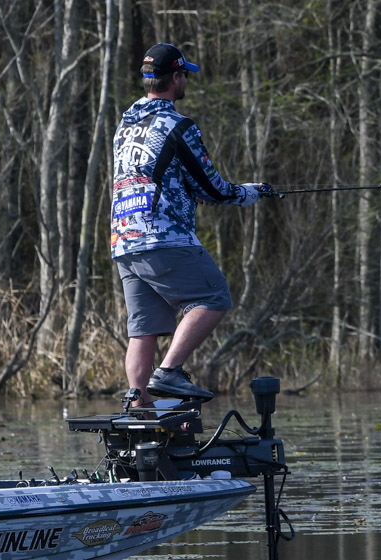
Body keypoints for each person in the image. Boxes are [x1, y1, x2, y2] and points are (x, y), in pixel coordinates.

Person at [111, 42, 276, 406]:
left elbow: (153, 178)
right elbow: (214, 189)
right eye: (185, 75)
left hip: (124, 241)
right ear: (175, 78)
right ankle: (169, 371)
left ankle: (139, 411)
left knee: (144, 329)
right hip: (163, 237)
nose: (186, 81)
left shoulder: (124, 127)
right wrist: (254, 191)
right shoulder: (177, 125)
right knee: (214, 295)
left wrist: (189, 193)